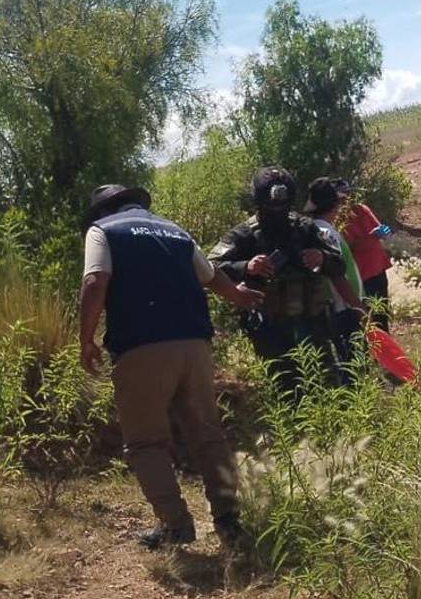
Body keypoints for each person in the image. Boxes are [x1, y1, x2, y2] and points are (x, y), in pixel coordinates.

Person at [78, 184, 263, 550]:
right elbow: (212, 276)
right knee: (207, 434)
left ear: (102, 211)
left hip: (141, 347)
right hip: (194, 345)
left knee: (146, 441)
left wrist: (85, 338)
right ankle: (229, 522)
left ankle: (176, 526)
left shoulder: (103, 231)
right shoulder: (174, 230)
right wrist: (240, 297)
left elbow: (95, 280)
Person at [210, 167, 346, 389]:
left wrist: (322, 258)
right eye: (271, 207)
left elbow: (339, 264)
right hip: (271, 330)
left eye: (282, 207)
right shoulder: (243, 234)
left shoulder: (305, 228)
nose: (277, 212)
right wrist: (247, 266)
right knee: (284, 389)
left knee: (326, 384)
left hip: (313, 324)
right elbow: (211, 267)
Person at [302, 177, 366, 369]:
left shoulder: (316, 228)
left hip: (340, 308)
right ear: (334, 205)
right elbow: (337, 276)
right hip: (344, 309)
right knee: (354, 366)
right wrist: (359, 307)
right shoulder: (326, 233)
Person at [339, 181, 393, 330]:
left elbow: (378, 230)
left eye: (348, 194)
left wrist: (382, 232)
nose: (347, 199)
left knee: (382, 314)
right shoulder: (337, 220)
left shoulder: (361, 209)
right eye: (343, 196)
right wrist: (371, 236)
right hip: (360, 275)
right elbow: (348, 247)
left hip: (377, 268)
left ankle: (386, 350)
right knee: (367, 318)